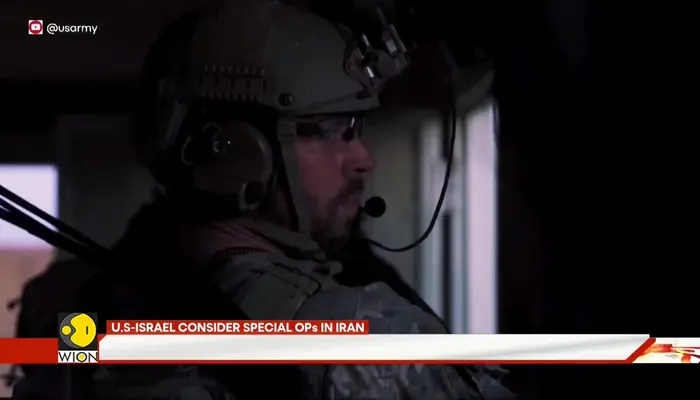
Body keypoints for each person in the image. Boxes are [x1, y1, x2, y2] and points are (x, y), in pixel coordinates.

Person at [14, 1, 515, 399]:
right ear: (241, 155)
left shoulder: (72, 313)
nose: (362, 158)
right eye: (337, 130)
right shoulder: (365, 338)